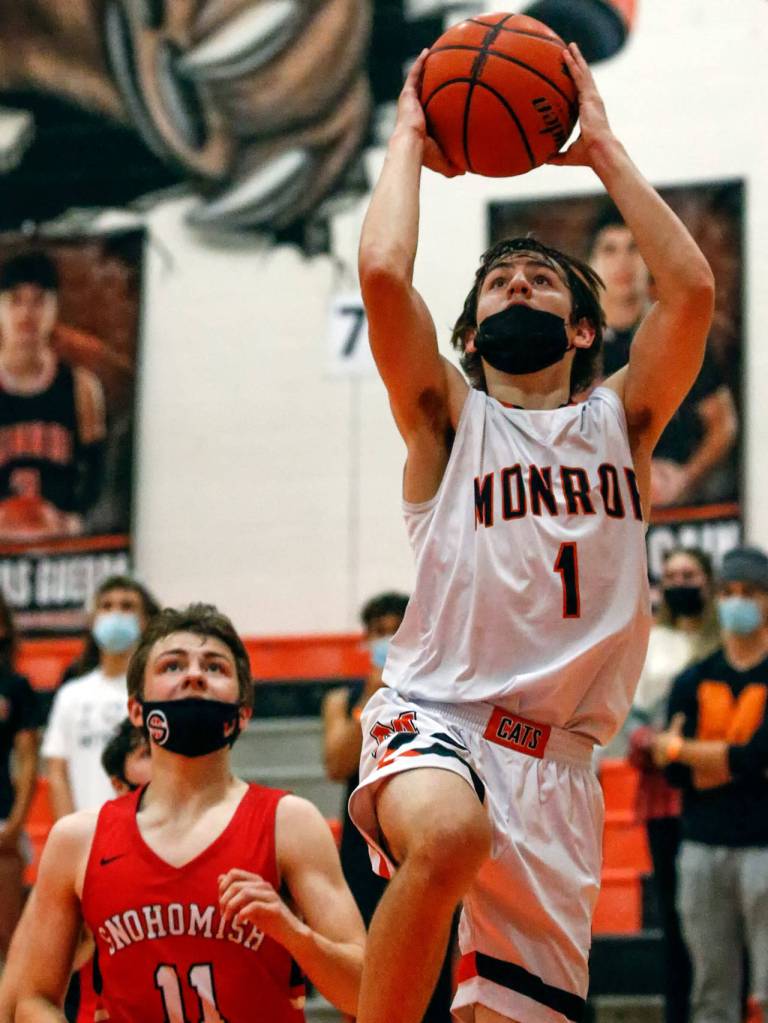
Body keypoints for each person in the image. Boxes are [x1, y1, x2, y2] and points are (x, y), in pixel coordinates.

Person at [350, 41, 714, 1023]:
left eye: (541, 278)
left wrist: (601, 149)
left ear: (586, 329)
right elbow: (385, 277)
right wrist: (405, 134)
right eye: (500, 280)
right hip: (438, 718)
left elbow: (691, 296)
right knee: (450, 836)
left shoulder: (623, 424)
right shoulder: (449, 419)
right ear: (468, 339)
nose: (517, 281)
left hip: (559, 770)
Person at [14, 602, 365, 1022]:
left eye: (215, 667)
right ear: (136, 711)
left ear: (243, 714)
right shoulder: (78, 839)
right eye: (172, 666)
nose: (194, 674)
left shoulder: (289, 822)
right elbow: (32, 998)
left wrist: (294, 934)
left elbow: (364, 993)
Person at [653, 545, 768, 1023]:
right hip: (700, 846)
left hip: (764, 848)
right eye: (729, 592)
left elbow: (757, 756)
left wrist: (683, 748)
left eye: (749, 592)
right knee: (710, 993)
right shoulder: (692, 679)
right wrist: (736, 763)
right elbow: (672, 771)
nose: (736, 601)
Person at [0, 718, 151, 1023]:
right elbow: (20, 993)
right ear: (119, 786)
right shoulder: (84, 862)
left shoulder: (224, 846)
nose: (165, 765)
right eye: (147, 754)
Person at [588, 204, 737, 508]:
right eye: (610, 250)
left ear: (648, 259)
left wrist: (686, 476)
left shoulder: (678, 334)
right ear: (591, 263)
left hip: (676, 512)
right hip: (601, 508)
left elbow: (724, 423)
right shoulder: (574, 344)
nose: (622, 262)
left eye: (633, 248)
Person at [625, 547, 720, 1023]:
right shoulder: (647, 643)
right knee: (677, 923)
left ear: (709, 580)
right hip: (665, 801)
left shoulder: (726, 641)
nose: (682, 582)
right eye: (673, 575)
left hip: (722, 797)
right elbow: (630, 726)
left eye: (691, 573)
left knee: (720, 926)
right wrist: (656, 742)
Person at [0, 251, 107, 540]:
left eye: (38, 301)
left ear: (55, 307)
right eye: (15, 300)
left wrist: (76, 521)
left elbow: (99, 482)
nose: (26, 314)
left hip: (59, 547)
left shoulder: (81, 387)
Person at [41, 574, 160, 818]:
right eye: (106, 606)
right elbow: (57, 770)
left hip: (146, 832)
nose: (115, 614)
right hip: (87, 832)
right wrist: (71, 831)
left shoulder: (158, 691)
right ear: (93, 620)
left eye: (127, 606)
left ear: (146, 621)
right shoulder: (71, 694)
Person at [0, 590, 38, 960]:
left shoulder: (16, 686)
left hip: (1, 818)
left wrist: (16, 821)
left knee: (8, 937)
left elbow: (28, 760)